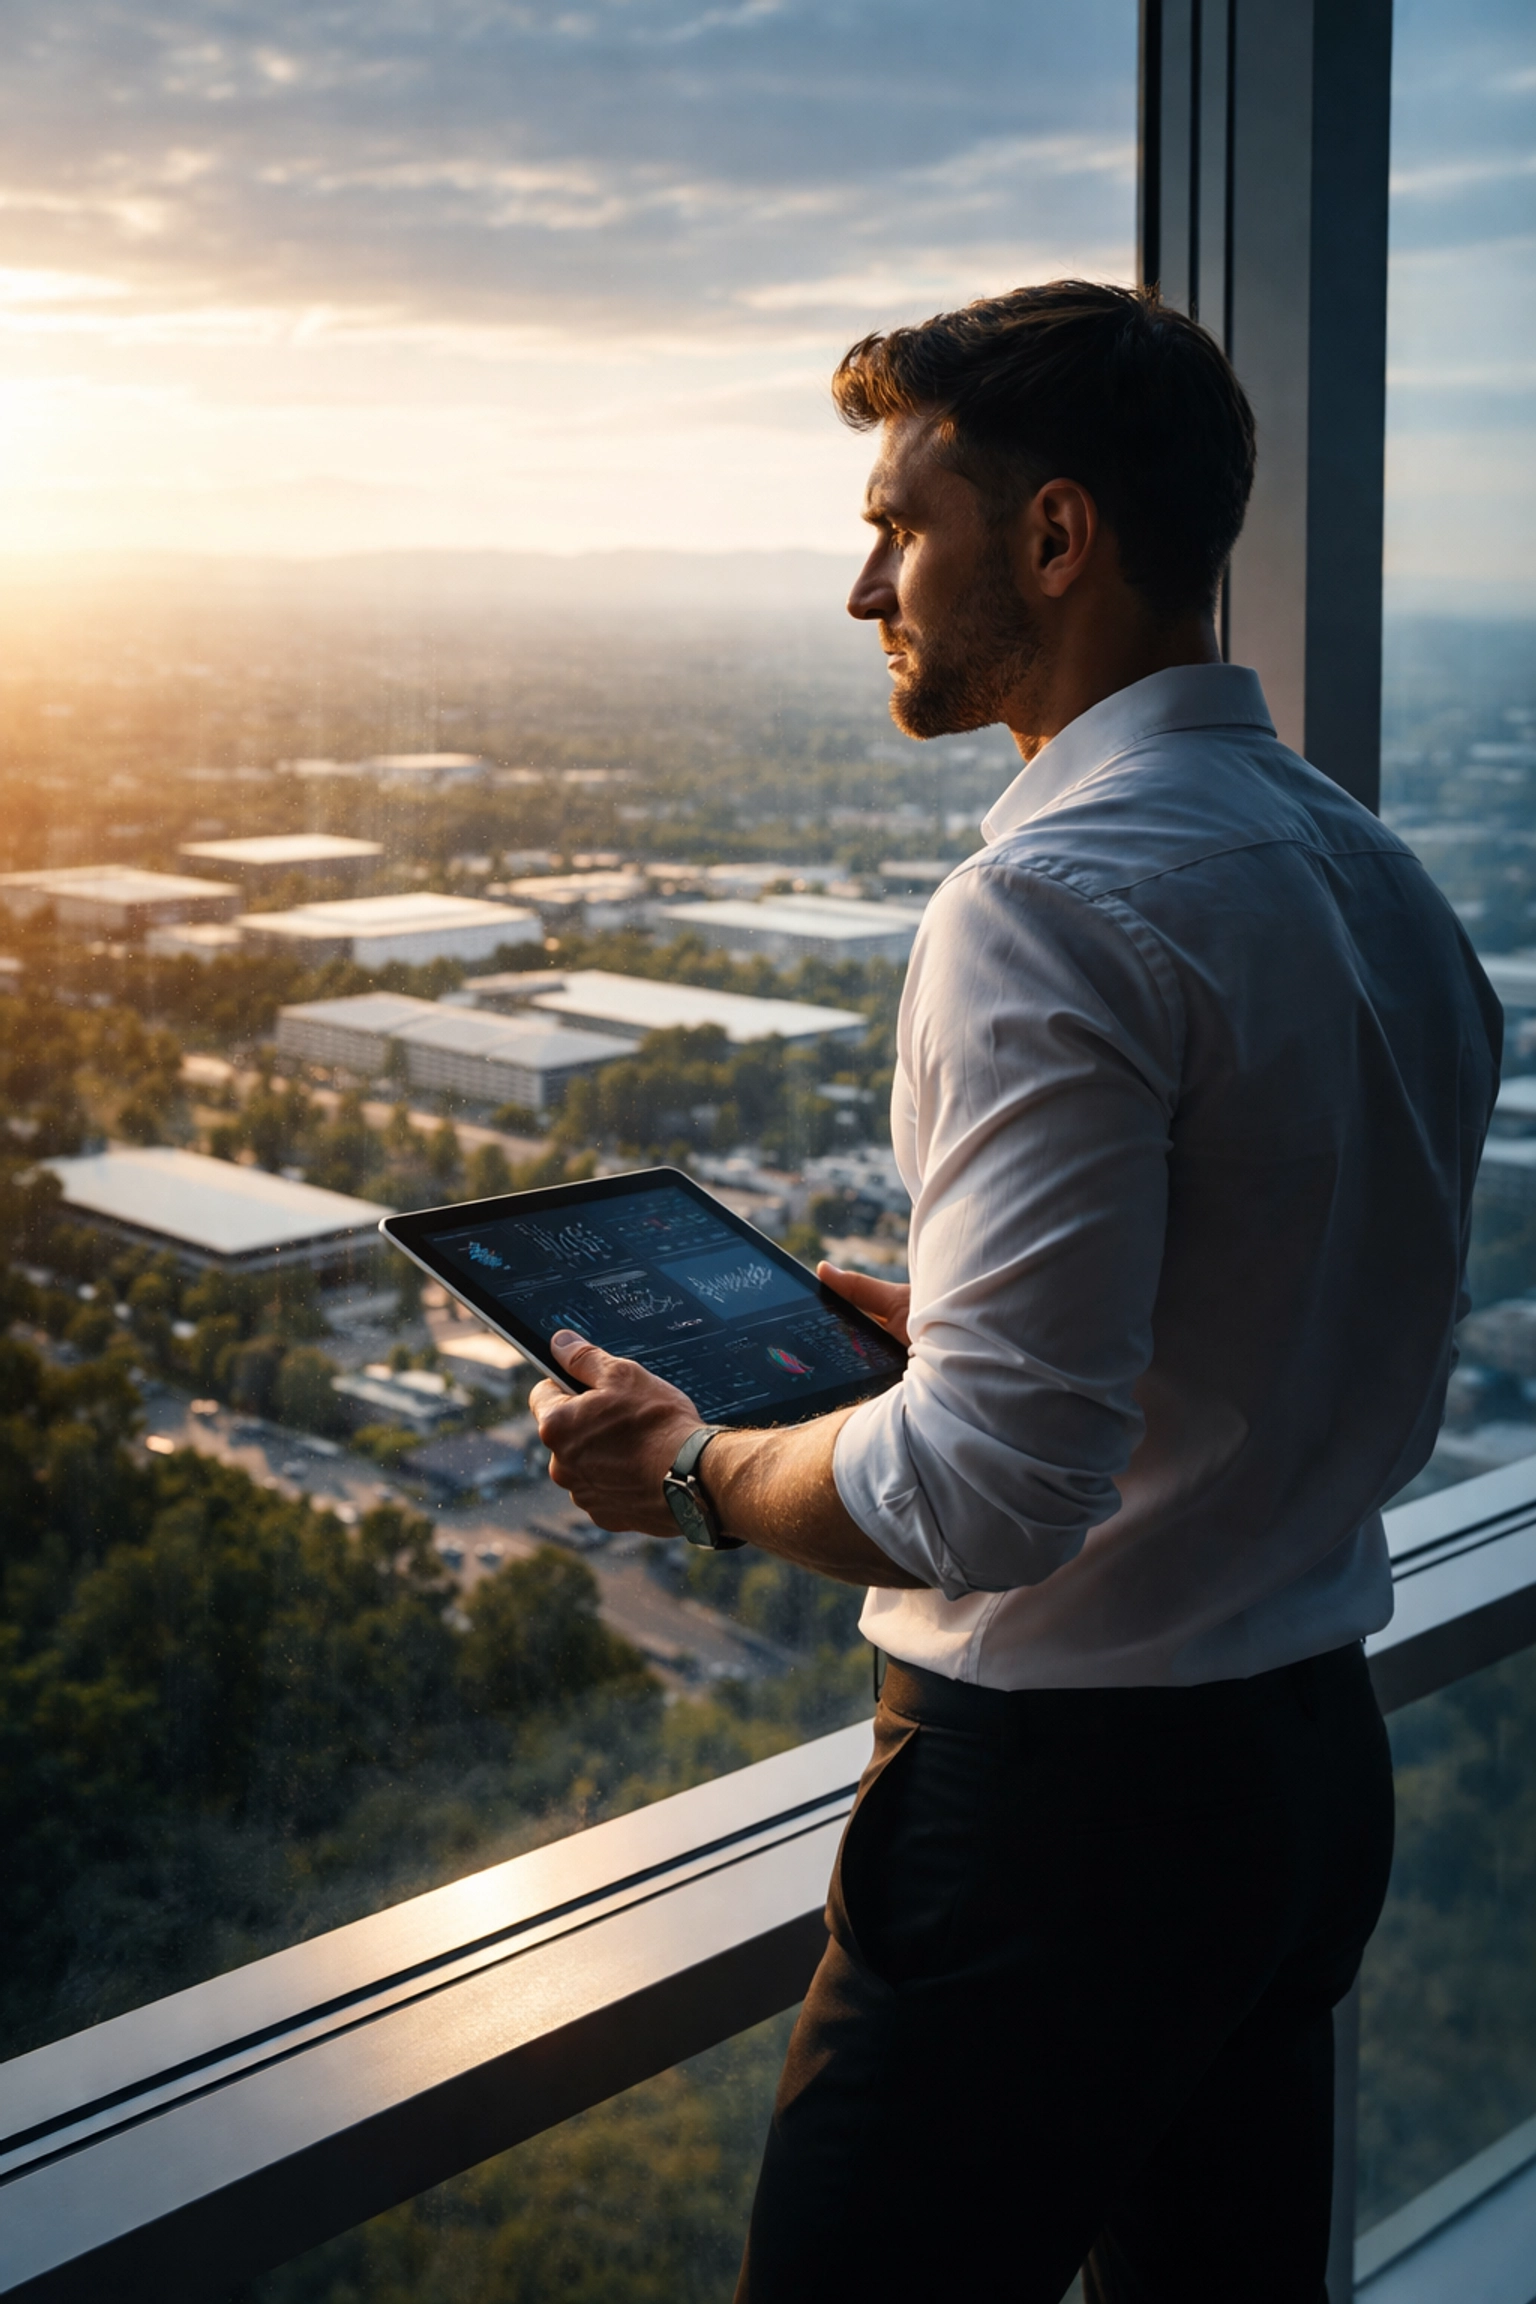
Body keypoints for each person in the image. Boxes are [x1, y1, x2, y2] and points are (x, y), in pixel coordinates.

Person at [529, 281, 1501, 2302]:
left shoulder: (1049, 899)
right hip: (1299, 1774)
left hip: (1065, 1827)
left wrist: (695, 1469)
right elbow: (1277, 1313)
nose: (864, 584)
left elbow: (990, 1499)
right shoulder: (1368, 871)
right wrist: (963, 1347)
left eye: (903, 523)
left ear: (1055, 537)